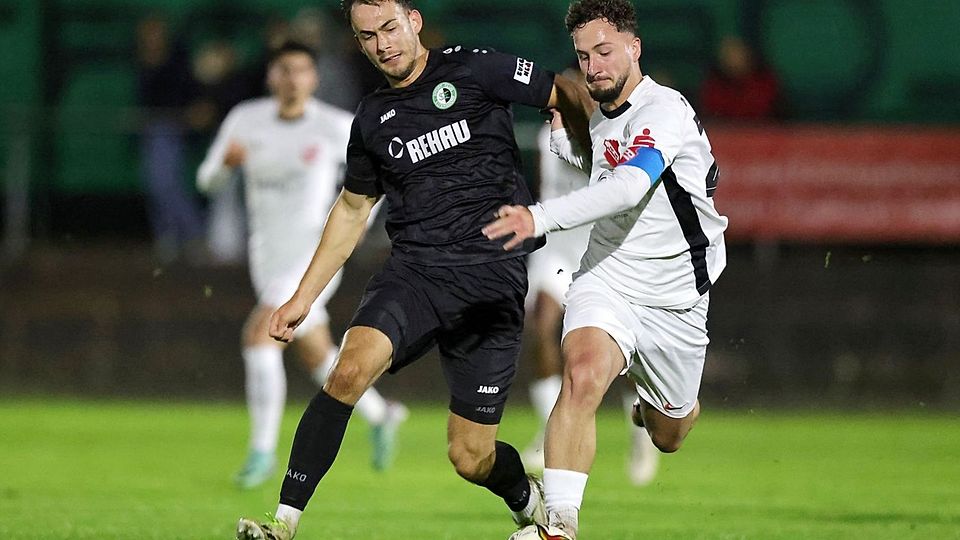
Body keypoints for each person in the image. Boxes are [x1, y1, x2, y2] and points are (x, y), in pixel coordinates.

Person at [235, 1, 593, 538]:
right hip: (415, 274)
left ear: (414, 21)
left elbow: (565, 89)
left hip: (490, 281)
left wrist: (596, 153)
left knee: (470, 456)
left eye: (389, 28)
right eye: (367, 36)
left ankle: (524, 497)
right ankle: (282, 524)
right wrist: (302, 300)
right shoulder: (373, 118)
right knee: (347, 373)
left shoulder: (475, 68)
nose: (382, 44)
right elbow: (353, 210)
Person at [484, 1, 728, 538]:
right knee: (583, 375)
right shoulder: (599, 120)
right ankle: (559, 524)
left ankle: (649, 405)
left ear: (634, 48)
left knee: (669, 434)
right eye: (582, 55)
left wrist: (537, 216)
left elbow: (628, 187)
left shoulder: (665, 110)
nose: (593, 65)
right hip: (608, 274)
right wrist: (567, 145)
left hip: (676, 295)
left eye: (604, 51)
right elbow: (603, 173)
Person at [197, 41, 408, 490]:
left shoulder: (335, 126)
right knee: (314, 351)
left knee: (260, 337)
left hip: (314, 256)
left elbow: (389, 174)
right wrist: (226, 168)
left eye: (301, 70)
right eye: (284, 69)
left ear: (314, 78)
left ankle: (261, 452)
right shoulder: (245, 119)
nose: (292, 78)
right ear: (271, 76)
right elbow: (207, 179)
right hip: (267, 255)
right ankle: (382, 414)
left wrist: (361, 227)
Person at [523, 100, 659, 487]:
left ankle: (640, 435)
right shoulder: (544, 137)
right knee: (540, 326)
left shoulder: (609, 144)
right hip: (557, 251)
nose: (555, 118)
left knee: (623, 354)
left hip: (601, 253)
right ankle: (551, 431)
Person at [699, 35, 782, 120]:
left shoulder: (765, 81)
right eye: (729, 55)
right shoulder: (713, 86)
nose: (734, 60)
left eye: (737, 54)